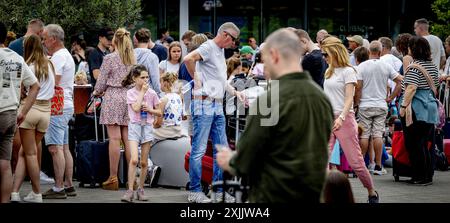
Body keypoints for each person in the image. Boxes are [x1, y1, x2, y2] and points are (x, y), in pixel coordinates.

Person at [217, 28, 334, 203]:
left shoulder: (270, 99)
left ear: (275, 55)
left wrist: (229, 160)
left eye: (265, 61)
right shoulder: (322, 99)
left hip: (273, 194)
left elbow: (247, 159)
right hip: (312, 194)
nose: (264, 68)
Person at [183, 22, 245, 203]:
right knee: (199, 150)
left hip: (216, 105)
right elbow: (188, 59)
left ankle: (217, 191)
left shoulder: (217, 51)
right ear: (226, 35)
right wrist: (197, 79)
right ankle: (195, 191)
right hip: (204, 104)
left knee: (222, 150)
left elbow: (222, 80)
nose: (233, 44)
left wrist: (236, 92)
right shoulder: (209, 47)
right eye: (233, 40)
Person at [321, 36, 379, 203]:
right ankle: (326, 196)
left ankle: (371, 191)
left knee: (356, 163)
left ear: (334, 52)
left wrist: (341, 117)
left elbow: (349, 99)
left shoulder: (349, 71)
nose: (324, 57)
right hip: (328, 118)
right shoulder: (328, 71)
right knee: (322, 160)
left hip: (344, 119)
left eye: (326, 53)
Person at [10, 35, 55, 203]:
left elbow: (22, 90)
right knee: (24, 152)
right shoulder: (50, 64)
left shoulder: (28, 66)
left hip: (29, 110)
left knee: (29, 153)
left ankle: (36, 193)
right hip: (46, 113)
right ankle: (15, 191)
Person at [0, 22, 40, 203]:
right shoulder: (16, 58)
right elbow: (35, 86)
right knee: (5, 164)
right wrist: (23, 111)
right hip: (10, 114)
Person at [93, 28, 136, 190]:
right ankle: (132, 179)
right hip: (129, 98)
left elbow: (101, 83)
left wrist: (97, 92)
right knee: (127, 138)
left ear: (114, 41)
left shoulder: (109, 58)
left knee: (114, 139)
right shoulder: (132, 58)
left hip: (113, 97)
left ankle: (113, 178)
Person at [354, 41, 403, 176]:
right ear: (380, 52)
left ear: (370, 52)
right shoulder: (386, 66)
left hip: (365, 105)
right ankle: (378, 165)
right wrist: (391, 97)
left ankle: (362, 165)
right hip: (381, 105)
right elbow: (400, 81)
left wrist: (356, 103)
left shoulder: (362, 66)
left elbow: (358, 87)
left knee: (364, 134)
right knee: (377, 134)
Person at [41, 24, 76, 199]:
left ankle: (58, 188)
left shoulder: (58, 57)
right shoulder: (64, 55)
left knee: (55, 149)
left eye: (45, 38)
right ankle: (68, 185)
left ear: (53, 39)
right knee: (63, 147)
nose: (43, 41)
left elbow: (53, 83)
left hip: (57, 107)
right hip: (66, 105)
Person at [399, 36, 439, 185]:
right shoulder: (432, 66)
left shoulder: (414, 67)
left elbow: (411, 88)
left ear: (413, 49)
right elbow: (434, 85)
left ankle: (419, 176)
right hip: (430, 108)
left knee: (413, 144)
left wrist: (403, 107)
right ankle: (427, 175)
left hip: (416, 109)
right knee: (423, 143)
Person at [120, 65, 160, 202]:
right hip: (135, 126)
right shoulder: (131, 93)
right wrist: (142, 93)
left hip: (147, 126)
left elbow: (160, 112)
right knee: (134, 159)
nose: (145, 80)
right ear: (134, 78)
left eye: (147, 77)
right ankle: (130, 190)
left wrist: (150, 110)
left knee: (143, 162)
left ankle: (141, 189)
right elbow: (136, 108)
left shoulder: (153, 93)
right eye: (142, 77)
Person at [153, 72, 186, 140]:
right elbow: (183, 116)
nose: (160, 85)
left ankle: (142, 150)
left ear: (165, 83)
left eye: (161, 82)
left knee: (146, 135)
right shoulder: (179, 97)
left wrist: (153, 125)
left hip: (167, 131)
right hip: (178, 130)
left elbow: (158, 123)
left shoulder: (163, 100)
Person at [133, 28, 161, 96]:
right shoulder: (152, 57)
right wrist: (158, 93)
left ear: (136, 39)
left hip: (132, 92)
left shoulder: (129, 55)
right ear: (149, 40)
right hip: (147, 93)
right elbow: (155, 79)